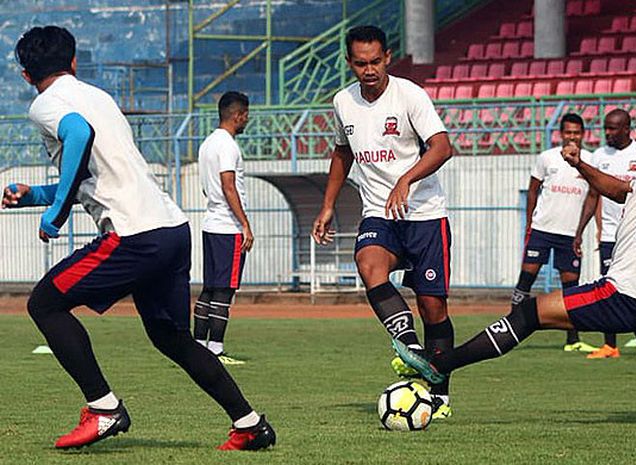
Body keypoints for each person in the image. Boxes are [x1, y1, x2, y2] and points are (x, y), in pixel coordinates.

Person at [2, 26, 274, 451]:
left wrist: (54, 215)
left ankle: (103, 407)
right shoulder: (100, 97)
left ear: (24, 75)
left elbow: (79, 136)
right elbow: (104, 175)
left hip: (133, 236)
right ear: (74, 63)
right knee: (172, 339)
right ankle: (250, 424)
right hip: (170, 229)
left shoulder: (45, 105)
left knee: (45, 303)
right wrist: (36, 195)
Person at [394, 99, 636, 398]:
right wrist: (580, 164)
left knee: (528, 313)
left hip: (626, 293)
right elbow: (620, 190)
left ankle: (439, 364)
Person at [310, 25, 454, 418]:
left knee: (433, 309)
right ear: (349, 62)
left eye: (375, 61)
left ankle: (439, 396)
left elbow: (443, 146)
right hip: (378, 210)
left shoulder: (410, 95)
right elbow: (342, 153)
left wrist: (407, 179)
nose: (369, 70)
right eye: (360, 63)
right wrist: (327, 206)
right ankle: (409, 345)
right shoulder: (343, 101)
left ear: (388, 57)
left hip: (425, 214)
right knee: (368, 262)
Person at [512, 113, 598, 353]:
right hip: (542, 229)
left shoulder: (589, 160)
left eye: (576, 132)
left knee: (571, 288)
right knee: (526, 279)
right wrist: (530, 223)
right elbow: (532, 191)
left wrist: (582, 231)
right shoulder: (546, 158)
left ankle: (573, 340)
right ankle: (507, 329)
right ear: (560, 134)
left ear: (583, 134)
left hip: (570, 234)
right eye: (568, 132)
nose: (572, 136)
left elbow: (594, 197)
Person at [573, 109, 636, 359]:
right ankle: (610, 346)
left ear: (627, 129)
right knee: (608, 286)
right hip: (610, 235)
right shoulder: (601, 155)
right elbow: (593, 195)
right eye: (606, 128)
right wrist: (579, 232)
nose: (609, 133)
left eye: (613, 128)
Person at [194, 91, 252, 366]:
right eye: (246, 116)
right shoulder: (228, 145)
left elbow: (209, 187)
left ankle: (197, 345)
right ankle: (215, 348)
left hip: (211, 222)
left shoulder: (207, 144)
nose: (246, 120)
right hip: (228, 227)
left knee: (209, 287)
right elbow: (228, 185)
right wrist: (244, 224)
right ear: (238, 115)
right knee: (224, 290)